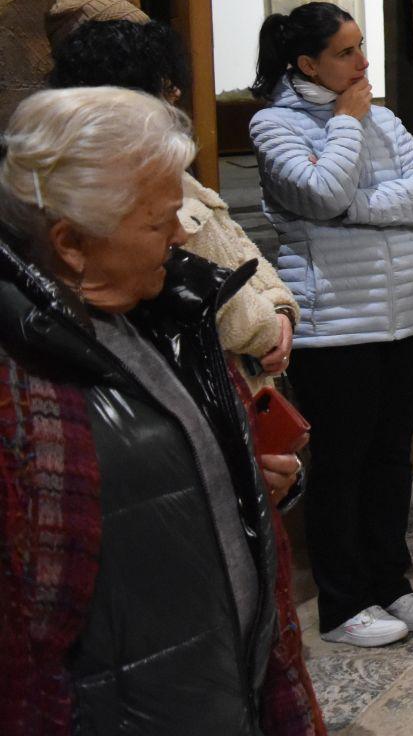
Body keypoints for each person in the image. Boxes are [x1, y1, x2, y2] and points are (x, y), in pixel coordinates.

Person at [0, 86, 323, 734]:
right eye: (156, 222)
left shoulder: (168, 310)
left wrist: (244, 481)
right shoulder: (18, 383)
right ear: (70, 242)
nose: (180, 236)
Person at [250, 0, 413, 648]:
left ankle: (392, 581)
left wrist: (356, 208)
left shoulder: (380, 114)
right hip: (337, 321)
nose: (364, 62)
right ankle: (343, 603)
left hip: (406, 312)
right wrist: (347, 125)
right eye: (346, 52)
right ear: (307, 62)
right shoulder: (274, 125)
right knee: (342, 462)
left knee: (391, 457)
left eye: (363, 46)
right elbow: (320, 193)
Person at [47, 7, 299, 391]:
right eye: (163, 84)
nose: (176, 93)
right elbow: (195, 283)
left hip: (239, 378)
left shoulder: (168, 169)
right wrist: (265, 328)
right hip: (197, 379)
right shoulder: (106, 184)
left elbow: (235, 242)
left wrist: (280, 306)